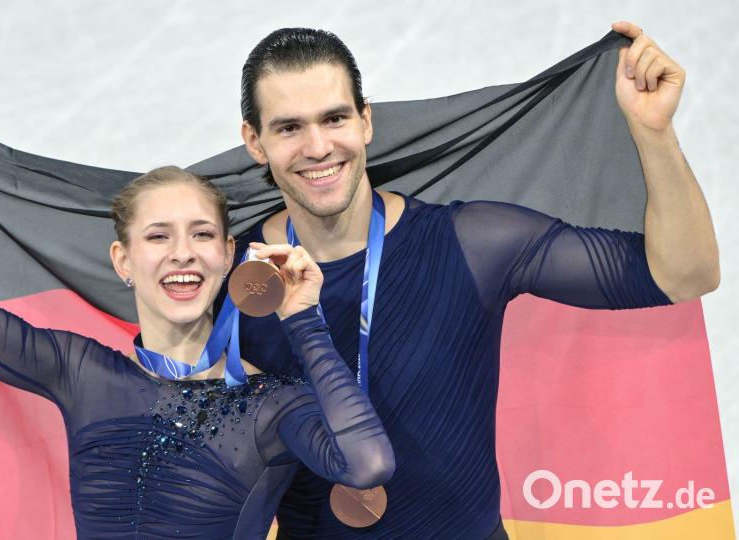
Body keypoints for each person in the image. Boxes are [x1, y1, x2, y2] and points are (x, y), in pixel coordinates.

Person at [0, 58, 395, 539]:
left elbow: (367, 464)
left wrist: (302, 317)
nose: (182, 253)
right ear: (123, 261)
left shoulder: (271, 404)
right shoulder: (81, 371)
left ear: (226, 255)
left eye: (202, 235)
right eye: (157, 237)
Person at [227, 21, 720, 539]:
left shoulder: (472, 243)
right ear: (254, 142)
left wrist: (654, 133)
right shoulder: (231, 282)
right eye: (289, 128)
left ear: (365, 121)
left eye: (335, 118)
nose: (318, 146)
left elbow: (685, 274)